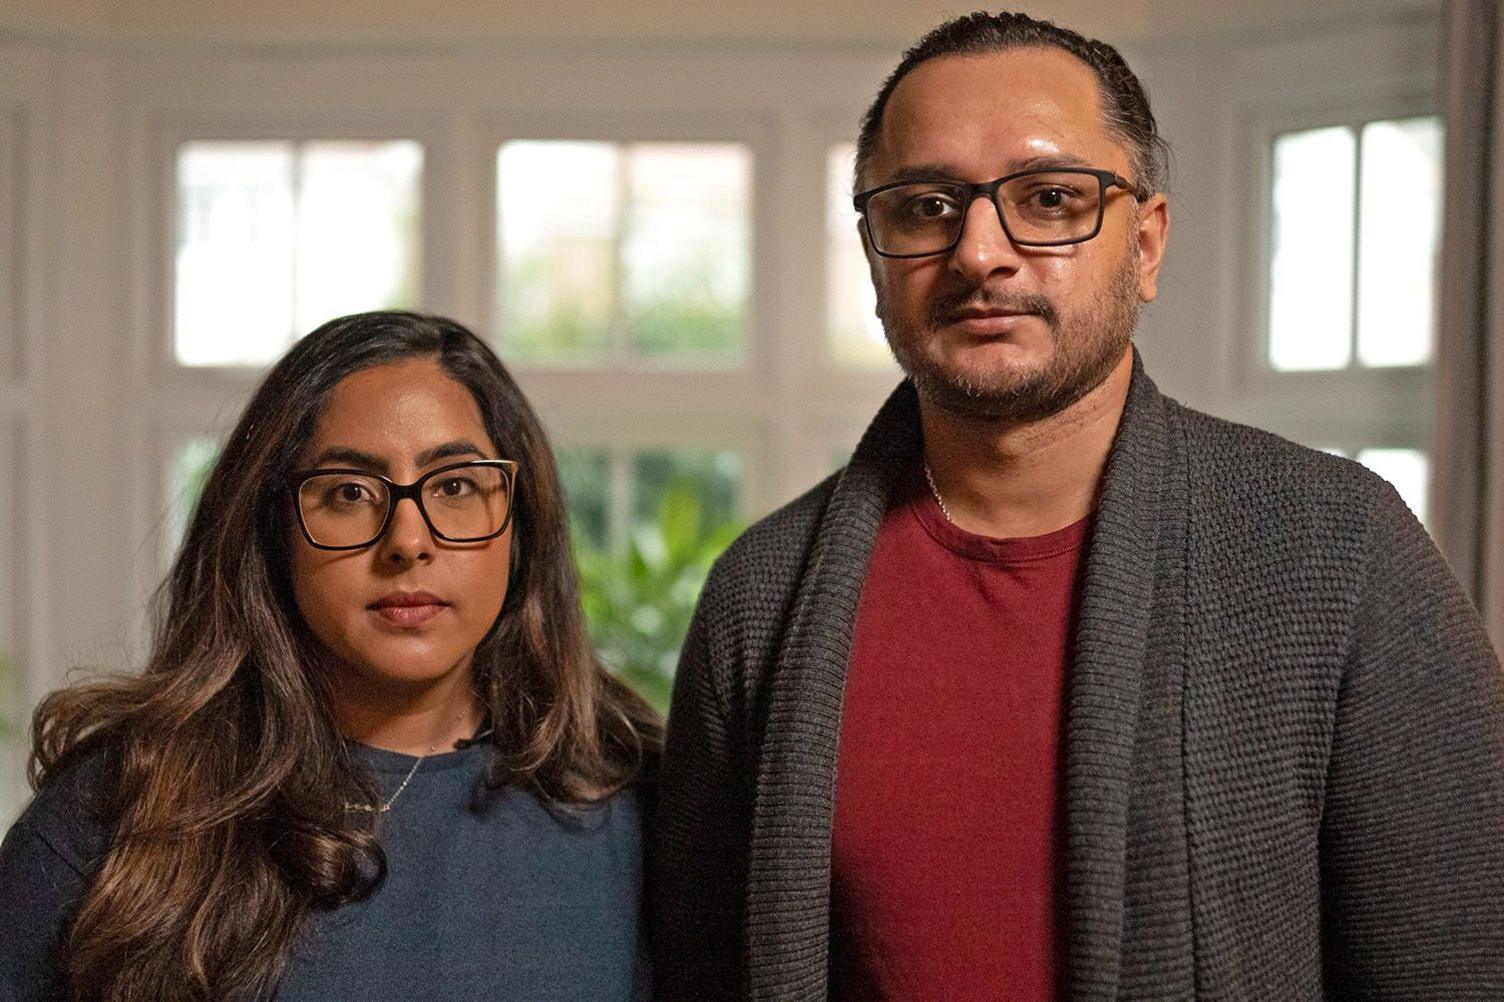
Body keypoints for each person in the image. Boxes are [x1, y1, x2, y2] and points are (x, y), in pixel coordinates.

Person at [650, 11, 1504, 1001]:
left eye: (1049, 198)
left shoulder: (1339, 552)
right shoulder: (762, 598)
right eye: (925, 206)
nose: (978, 252)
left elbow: (1462, 963)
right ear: (875, 254)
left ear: (1144, 245)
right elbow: (699, 968)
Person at [0, 311, 659, 1001]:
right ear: (273, 530)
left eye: (456, 487)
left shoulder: (641, 806)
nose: (408, 540)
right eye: (348, 493)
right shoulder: (118, 813)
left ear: (520, 526)